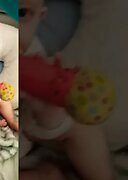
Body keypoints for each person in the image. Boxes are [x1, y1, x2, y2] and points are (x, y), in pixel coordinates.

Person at [19, 0, 114, 179]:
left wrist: (47, 112)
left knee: (81, 128)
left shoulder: (31, 52)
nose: (8, 27)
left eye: (21, 14)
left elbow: (41, 125)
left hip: (19, 131)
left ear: (40, 18)